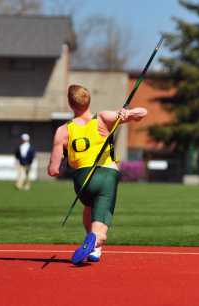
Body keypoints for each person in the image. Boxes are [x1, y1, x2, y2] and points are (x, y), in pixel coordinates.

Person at [48, 84, 147, 265]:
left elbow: (53, 170)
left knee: (89, 206)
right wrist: (127, 113)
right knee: (100, 224)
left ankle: (95, 249)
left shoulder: (63, 131)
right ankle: (96, 238)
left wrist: (66, 157)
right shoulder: (101, 117)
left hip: (82, 180)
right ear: (89, 100)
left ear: (70, 104)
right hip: (107, 175)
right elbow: (143, 112)